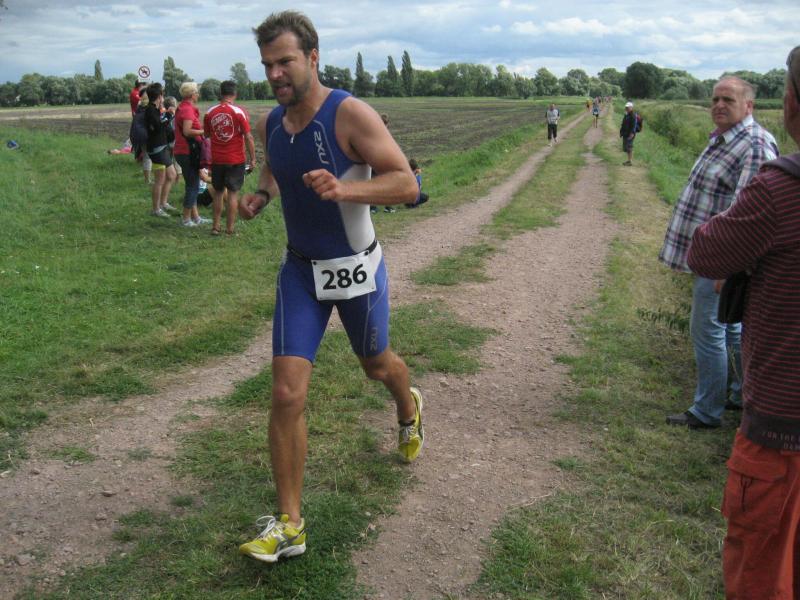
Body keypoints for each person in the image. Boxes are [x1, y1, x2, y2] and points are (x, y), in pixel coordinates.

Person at [236, 10, 423, 564]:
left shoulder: (349, 114)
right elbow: (276, 167)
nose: (274, 74)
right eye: (267, 64)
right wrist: (262, 195)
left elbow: (407, 184)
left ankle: (408, 405)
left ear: (313, 57)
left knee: (377, 366)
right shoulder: (271, 123)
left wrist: (344, 190)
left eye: (284, 61)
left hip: (356, 268)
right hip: (300, 272)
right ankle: (290, 524)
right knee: (286, 393)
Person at [685, 45, 800, 599]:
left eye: (727, 98)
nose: (717, 106)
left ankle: (711, 405)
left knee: (764, 569)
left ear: (788, 104)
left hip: (784, 422)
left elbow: (709, 249)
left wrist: (742, 247)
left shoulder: (780, 186)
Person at [660, 76, 779, 430]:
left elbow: (748, 215)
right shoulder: (725, 139)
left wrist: (730, 268)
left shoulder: (754, 145)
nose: (719, 105)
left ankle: (707, 411)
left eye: (728, 99)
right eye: (714, 99)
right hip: (713, 258)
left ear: (749, 105)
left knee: (708, 331)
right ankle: (741, 394)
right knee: (729, 330)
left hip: (722, 262)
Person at [203, 80, 256, 235]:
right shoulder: (238, 112)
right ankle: (230, 229)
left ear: (221, 93)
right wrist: (253, 159)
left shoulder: (210, 112)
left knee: (218, 193)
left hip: (217, 160)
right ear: (235, 94)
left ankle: (215, 227)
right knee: (232, 194)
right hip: (235, 159)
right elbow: (249, 137)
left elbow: (206, 134)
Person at [173, 81, 211, 227]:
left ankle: (196, 218)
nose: (198, 95)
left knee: (192, 184)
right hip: (188, 151)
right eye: (197, 92)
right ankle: (186, 219)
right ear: (192, 94)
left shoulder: (183, 107)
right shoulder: (187, 110)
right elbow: (187, 131)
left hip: (184, 151)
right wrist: (205, 132)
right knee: (193, 186)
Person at [143, 83, 178, 217]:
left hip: (162, 147)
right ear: (159, 96)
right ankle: (156, 209)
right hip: (156, 149)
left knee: (172, 175)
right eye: (162, 94)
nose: (163, 97)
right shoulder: (150, 110)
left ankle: (163, 203)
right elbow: (157, 127)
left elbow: (160, 123)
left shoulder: (156, 109)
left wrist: (166, 114)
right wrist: (169, 116)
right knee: (160, 180)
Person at [619, 101, 637, 165]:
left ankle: (630, 161)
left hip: (630, 134)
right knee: (626, 148)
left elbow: (634, 126)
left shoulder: (633, 116)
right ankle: (629, 160)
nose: (626, 108)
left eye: (628, 107)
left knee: (629, 147)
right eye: (626, 107)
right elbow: (623, 124)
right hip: (625, 133)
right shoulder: (626, 114)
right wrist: (621, 132)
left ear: (631, 108)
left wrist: (632, 133)